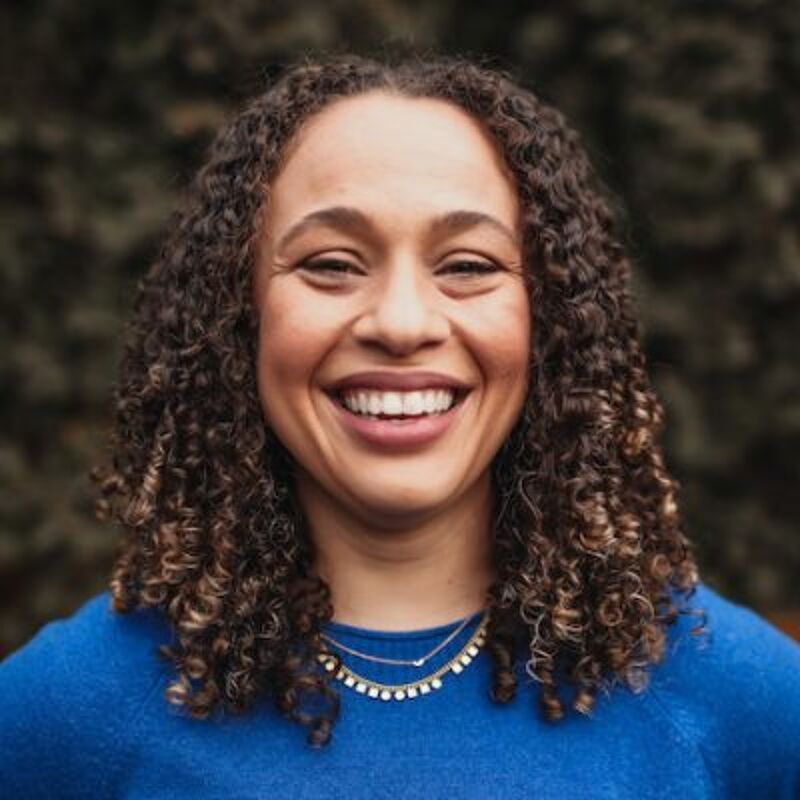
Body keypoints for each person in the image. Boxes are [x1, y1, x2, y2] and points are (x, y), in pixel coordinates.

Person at [1, 53, 798, 800]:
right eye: (332, 265)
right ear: (237, 316)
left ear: (548, 320)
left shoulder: (735, 701)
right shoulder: (65, 719)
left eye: (469, 266)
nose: (403, 321)